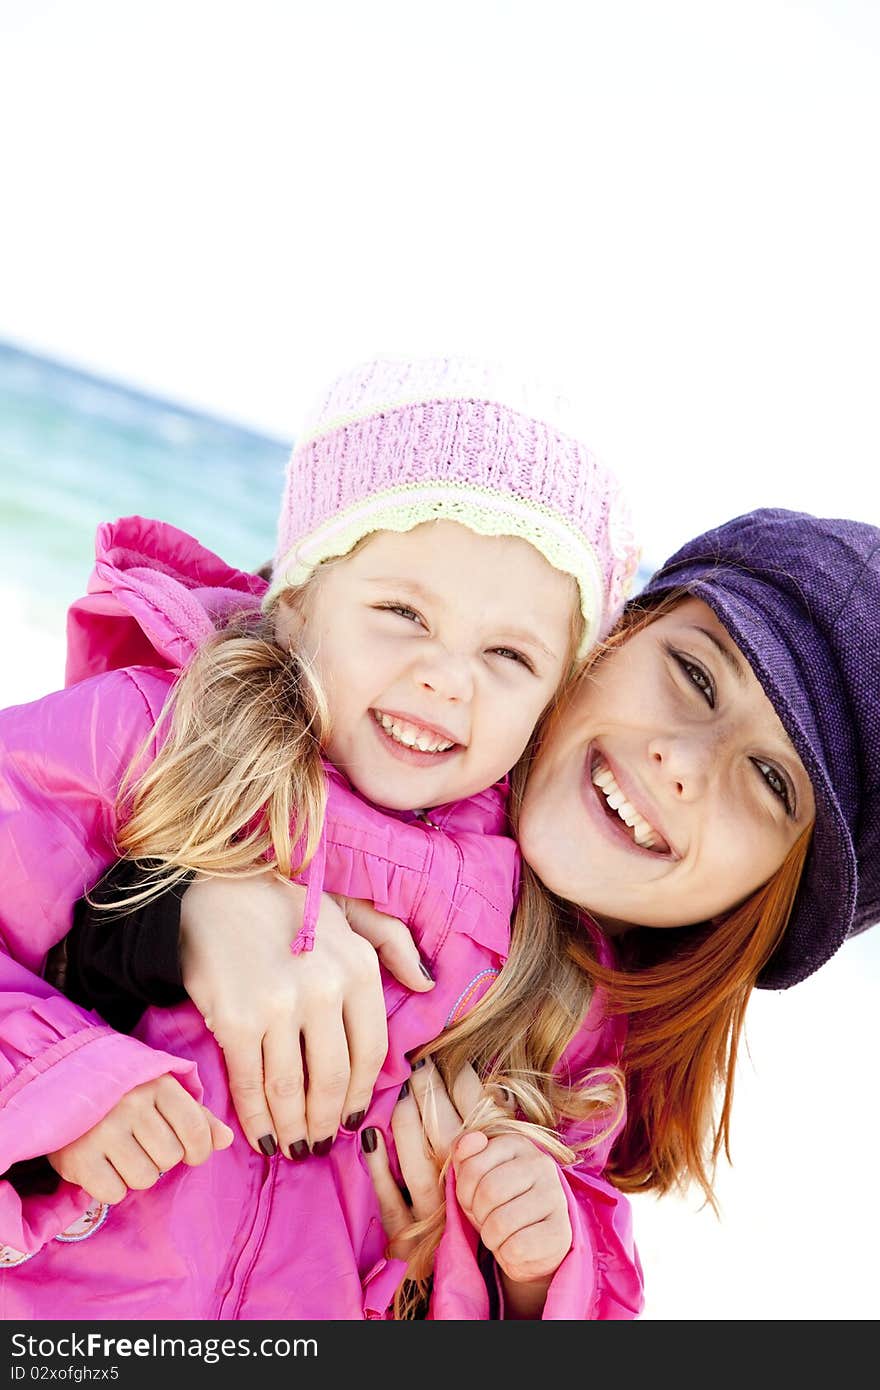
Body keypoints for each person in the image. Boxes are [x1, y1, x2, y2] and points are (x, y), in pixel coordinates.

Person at [66, 506, 878, 1311]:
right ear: (613, 637)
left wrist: (498, 1278)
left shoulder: (588, 1088)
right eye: (695, 675)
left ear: (779, 895)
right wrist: (161, 912)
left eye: (772, 781)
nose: (684, 766)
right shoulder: (277, 740)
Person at [0, 355, 644, 1320]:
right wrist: (61, 1089)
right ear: (297, 599)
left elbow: (584, 1196)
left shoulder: (534, 942)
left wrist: (535, 1261)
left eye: (508, 654)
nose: (446, 676)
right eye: (401, 612)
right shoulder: (148, 745)